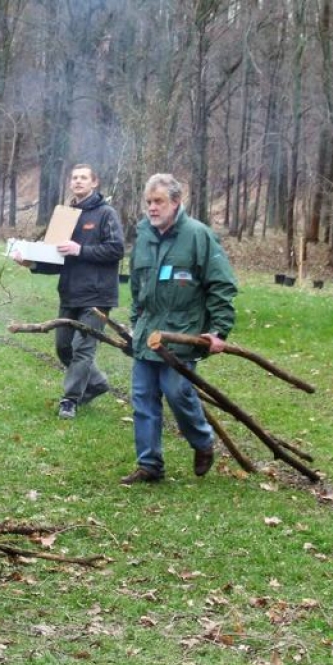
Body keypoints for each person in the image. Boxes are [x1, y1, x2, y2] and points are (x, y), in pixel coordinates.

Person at [121, 173, 238, 485]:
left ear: (176, 202)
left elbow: (221, 285)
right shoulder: (143, 236)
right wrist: (136, 324)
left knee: (177, 393)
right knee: (143, 399)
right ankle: (149, 466)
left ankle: (202, 442)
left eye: (159, 201)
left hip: (181, 334)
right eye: (148, 202)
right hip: (148, 334)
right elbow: (136, 287)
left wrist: (219, 331)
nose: (152, 208)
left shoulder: (198, 235)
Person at [12, 164, 125, 419]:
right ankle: (96, 383)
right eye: (74, 177)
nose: (78, 181)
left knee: (84, 348)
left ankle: (70, 400)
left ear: (94, 182)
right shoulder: (64, 215)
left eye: (83, 177)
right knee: (64, 347)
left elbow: (117, 249)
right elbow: (55, 259)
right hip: (70, 292)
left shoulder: (106, 214)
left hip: (97, 295)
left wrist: (80, 250)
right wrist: (31, 263)